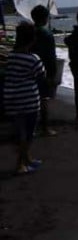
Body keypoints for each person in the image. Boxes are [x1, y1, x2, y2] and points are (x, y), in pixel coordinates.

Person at [2, 22, 45, 174]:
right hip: (28, 100)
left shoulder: (10, 56)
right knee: (28, 134)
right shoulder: (33, 59)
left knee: (19, 131)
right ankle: (20, 164)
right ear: (32, 40)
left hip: (11, 98)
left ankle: (27, 159)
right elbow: (41, 77)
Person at [30, 4, 57, 136]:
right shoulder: (46, 34)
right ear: (45, 18)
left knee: (32, 99)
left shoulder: (29, 32)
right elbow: (51, 56)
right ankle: (45, 128)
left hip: (30, 68)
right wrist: (53, 74)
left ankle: (31, 127)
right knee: (44, 99)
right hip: (43, 69)